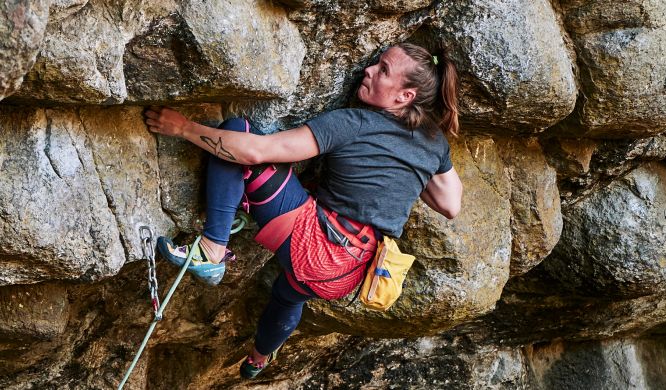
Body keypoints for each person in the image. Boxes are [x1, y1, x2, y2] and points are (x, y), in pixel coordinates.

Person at [143, 42, 463, 379]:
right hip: (352, 272)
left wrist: (183, 128)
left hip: (317, 247)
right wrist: (413, 168)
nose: (368, 70)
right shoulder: (433, 143)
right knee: (288, 295)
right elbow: (450, 204)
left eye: (383, 70)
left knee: (237, 131)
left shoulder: (352, 123)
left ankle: (212, 248)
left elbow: (255, 152)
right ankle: (258, 358)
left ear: (404, 97)